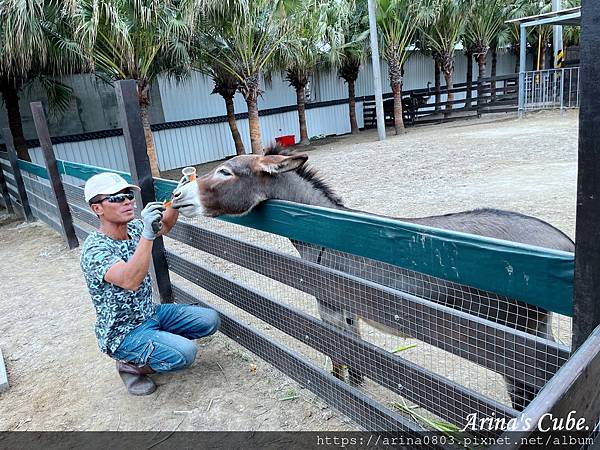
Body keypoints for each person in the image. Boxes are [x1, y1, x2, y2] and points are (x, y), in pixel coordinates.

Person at [79, 172, 220, 396]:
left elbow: (164, 225)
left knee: (210, 320)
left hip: (150, 313)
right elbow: (130, 280)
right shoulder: (95, 249)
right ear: (97, 208)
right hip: (123, 333)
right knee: (186, 354)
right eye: (116, 198)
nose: (126, 201)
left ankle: (157, 342)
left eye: (128, 195)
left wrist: (176, 197)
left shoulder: (134, 229)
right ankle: (130, 365)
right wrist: (147, 233)